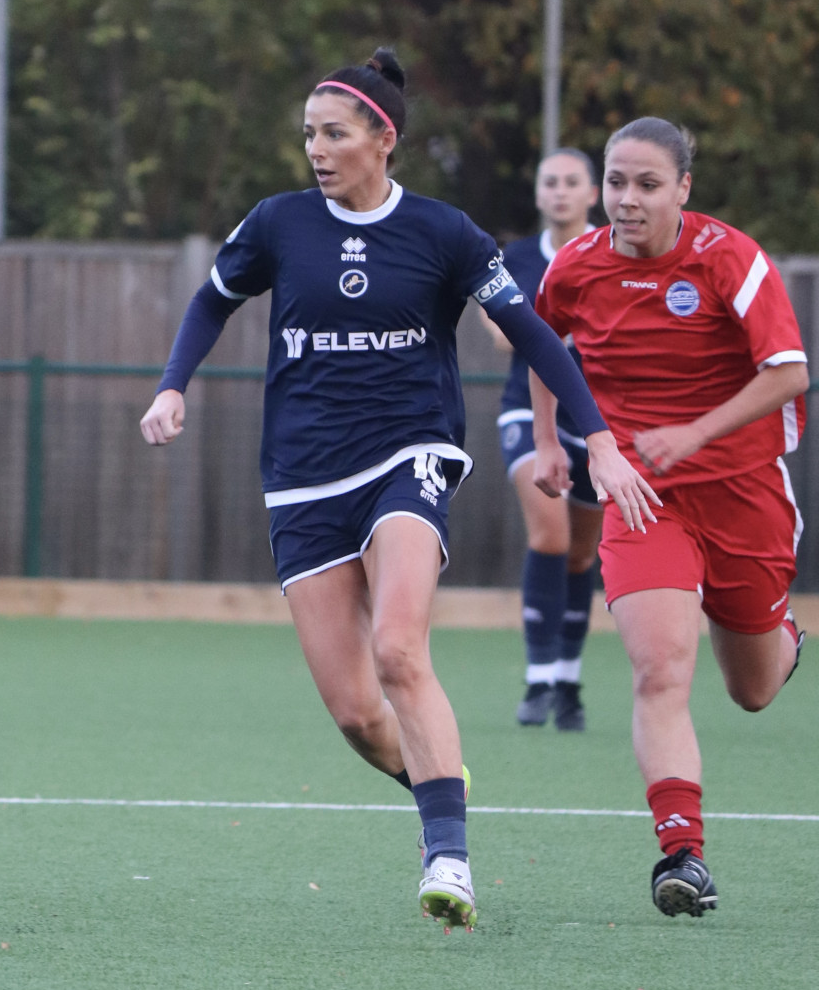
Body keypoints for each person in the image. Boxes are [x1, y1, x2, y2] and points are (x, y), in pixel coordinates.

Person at [140, 49, 658, 932]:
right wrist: (172, 383)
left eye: (334, 133)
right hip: (302, 476)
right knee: (354, 714)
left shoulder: (447, 233)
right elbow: (210, 302)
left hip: (408, 455)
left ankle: (447, 855)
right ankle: (440, 780)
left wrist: (600, 441)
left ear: (384, 139)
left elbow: (534, 335)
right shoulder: (277, 223)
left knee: (398, 649)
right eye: (309, 133)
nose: (317, 147)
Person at [532, 116, 809, 918]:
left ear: (683, 188)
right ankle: (681, 853)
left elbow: (790, 372)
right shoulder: (577, 267)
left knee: (752, 690)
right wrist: (552, 439)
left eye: (647, 184)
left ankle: (781, 639)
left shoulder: (730, 257)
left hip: (744, 493)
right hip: (640, 499)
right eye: (616, 182)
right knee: (660, 670)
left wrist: (693, 432)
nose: (626, 199)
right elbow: (543, 346)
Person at [490, 149, 603, 731]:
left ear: (592, 194)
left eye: (571, 183)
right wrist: (548, 329)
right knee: (551, 535)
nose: (560, 192)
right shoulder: (516, 258)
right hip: (526, 414)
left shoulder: (611, 255)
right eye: (549, 182)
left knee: (583, 554)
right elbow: (502, 332)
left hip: (597, 425)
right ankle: (537, 678)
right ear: (538, 194)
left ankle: (567, 679)